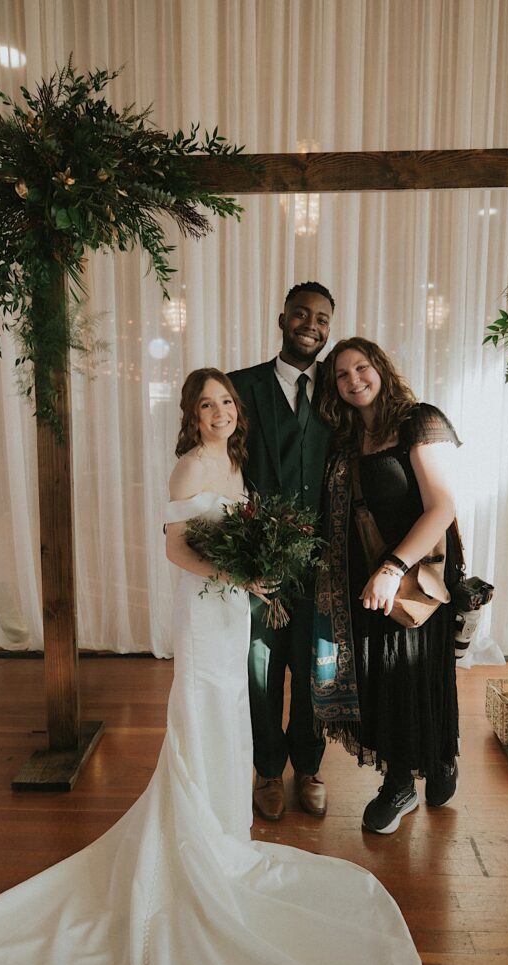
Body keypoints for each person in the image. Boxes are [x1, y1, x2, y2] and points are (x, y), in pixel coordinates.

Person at [0, 367, 432, 965]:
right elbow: (176, 550)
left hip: (231, 608)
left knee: (231, 712)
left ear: (237, 411)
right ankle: (194, 837)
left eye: (226, 402)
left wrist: (253, 580)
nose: (220, 412)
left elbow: (234, 538)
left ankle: (223, 831)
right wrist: (242, 572)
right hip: (203, 614)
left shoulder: (231, 466)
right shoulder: (187, 468)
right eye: (207, 405)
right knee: (202, 709)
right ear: (191, 414)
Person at [314, 338, 461, 835]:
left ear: (380, 367)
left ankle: (424, 768)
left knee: (418, 671)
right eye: (341, 375)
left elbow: (442, 506)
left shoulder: (418, 421)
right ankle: (406, 775)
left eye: (362, 367)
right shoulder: (347, 439)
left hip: (413, 572)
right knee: (384, 676)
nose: (354, 379)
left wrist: (394, 566)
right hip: (366, 581)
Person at [228, 282, 334, 821]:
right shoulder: (241, 387)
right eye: (300, 314)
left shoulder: (337, 392)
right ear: (282, 319)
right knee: (262, 669)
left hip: (320, 565)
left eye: (320, 318)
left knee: (316, 667)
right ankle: (268, 769)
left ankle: (309, 766)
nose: (310, 325)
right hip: (260, 565)